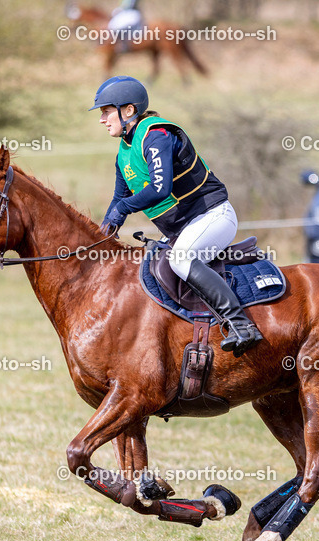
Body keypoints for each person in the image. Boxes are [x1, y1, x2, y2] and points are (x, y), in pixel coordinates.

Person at [91, 75, 263, 355]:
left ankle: (241, 324)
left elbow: (160, 188)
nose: (102, 119)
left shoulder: (156, 135)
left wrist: (123, 210)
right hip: (182, 228)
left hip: (213, 215)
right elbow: (119, 198)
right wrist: (102, 233)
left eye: (106, 111)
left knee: (182, 259)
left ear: (129, 110)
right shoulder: (124, 152)